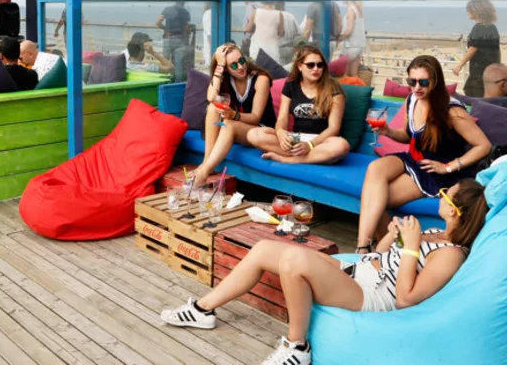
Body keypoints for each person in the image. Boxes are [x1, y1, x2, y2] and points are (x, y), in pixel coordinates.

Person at [161, 180, 488, 365]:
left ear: (456, 210)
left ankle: (296, 348)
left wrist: (413, 247)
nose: (442, 195)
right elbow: (384, 256)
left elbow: (405, 298)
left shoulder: (450, 255)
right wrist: (394, 236)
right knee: (263, 250)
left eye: (447, 194)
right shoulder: (434, 233)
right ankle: (202, 310)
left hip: (371, 294)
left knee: (293, 262)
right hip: (360, 270)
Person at [356, 55, 491, 253]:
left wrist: (449, 166)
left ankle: (383, 251)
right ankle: (363, 245)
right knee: (375, 169)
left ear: (435, 82)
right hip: (416, 161)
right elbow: (407, 135)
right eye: (412, 82)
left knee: (377, 199)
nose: (417, 87)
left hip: (437, 172)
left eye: (423, 82)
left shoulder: (451, 111)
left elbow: (483, 145)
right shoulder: (412, 100)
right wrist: (388, 132)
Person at [191, 44, 277, 187]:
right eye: (234, 65)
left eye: (242, 61)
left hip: (261, 130)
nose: (240, 67)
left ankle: (204, 172)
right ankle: (206, 162)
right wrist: (219, 66)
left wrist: (233, 115)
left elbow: (256, 117)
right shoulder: (226, 79)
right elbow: (211, 97)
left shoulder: (260, 79)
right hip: (236, 129)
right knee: (212, 108)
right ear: (226, 68)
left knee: (229, 124)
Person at [246, 45, 351, 164]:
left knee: (341, 146)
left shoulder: (333, 88)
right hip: (296, 138)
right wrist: (280, 132)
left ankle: (288, 159)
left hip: (321, 141)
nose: (316, 69)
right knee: (253, 134)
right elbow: (282, 119)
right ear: (300, 66)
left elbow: (334, 128)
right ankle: (310, 157)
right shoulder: (291, 86)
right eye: (310, 65)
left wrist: (310, 145)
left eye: (319, 65)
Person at [453, 0, 500, 98]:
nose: (467, 12)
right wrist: (498, 67)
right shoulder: (493, 28)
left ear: (476, 11)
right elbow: (497, 50)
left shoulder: (478, 28)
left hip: (479, 70)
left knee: (472, 92)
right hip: (491, 69)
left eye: (468, 10)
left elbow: (472, 49)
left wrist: (459, 66)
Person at [156, 1, 191, 82]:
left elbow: (158, 22)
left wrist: (165, 29)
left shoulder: (168, 9)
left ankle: (163, 82)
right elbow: (187, 26)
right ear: (183, 2)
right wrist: (183, 35)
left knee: (165, 62)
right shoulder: (185, 12)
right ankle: (177, 84)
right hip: (179, 39)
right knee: (178, 65)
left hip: (168, 39)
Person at [338, 0, 366, 77]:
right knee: (354, 74)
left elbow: (349, 30)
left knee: (341, 72)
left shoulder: (351, 9)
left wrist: (339, 39)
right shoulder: (358, 9)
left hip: (351, 46)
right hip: (359, 46)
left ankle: (343, 89)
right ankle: (357, 87)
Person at [276, 1, 302, 66]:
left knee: (281, 71)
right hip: (291, 49)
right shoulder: (290, 16)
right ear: (283, 5)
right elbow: (299, 33)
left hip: (279, 49)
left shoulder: (273, 16)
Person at [202, 3, 212, 67]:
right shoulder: (210, 13)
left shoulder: (206, 13)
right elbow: (209, 31)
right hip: (209, 41)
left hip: (207, 42)